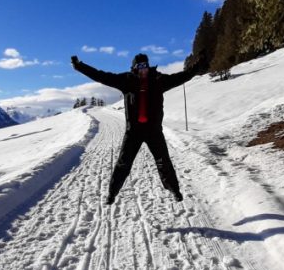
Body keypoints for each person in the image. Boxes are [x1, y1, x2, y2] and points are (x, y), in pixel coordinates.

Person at [71, 52, 205, 205]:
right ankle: (112, 194)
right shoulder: (126, 80)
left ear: (148, 66)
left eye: (145, 65)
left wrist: (197, 67)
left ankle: (174, 190)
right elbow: (102, 76)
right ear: (134, 68)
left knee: (164, 162)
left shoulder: (158, 79)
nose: (143, 69)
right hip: (133, 132)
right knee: (123, 163)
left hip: (154, 131)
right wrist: (80, 66)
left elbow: (181, 76)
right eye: (139, 66)